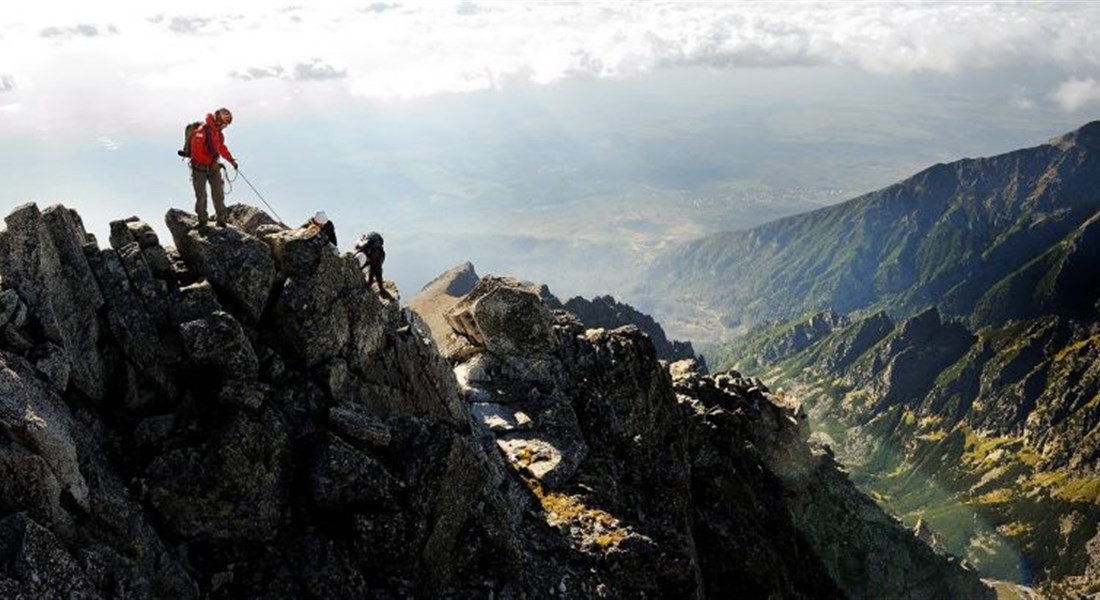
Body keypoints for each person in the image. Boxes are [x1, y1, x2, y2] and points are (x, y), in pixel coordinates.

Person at [189, 108, 238, 227]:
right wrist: (211, 162)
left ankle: (221, 220)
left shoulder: (218, 134)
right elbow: (195, 151)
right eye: (224, 124)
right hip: (199, 167)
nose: (224, 127)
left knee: (218, 193)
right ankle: (202, 221)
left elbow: (221, 148)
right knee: (201, 195)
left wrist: (231, 161)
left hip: (213, 167)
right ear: (217, 121)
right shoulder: (202, 130)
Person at [354, 232, 390, 299]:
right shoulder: (363, 245)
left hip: (376, 258)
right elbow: (357, 250)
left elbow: (373, 268)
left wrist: (370, 284)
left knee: (377, 270)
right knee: (363, 261)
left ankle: (381, 288)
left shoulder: (377, 253)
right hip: (366, 252)